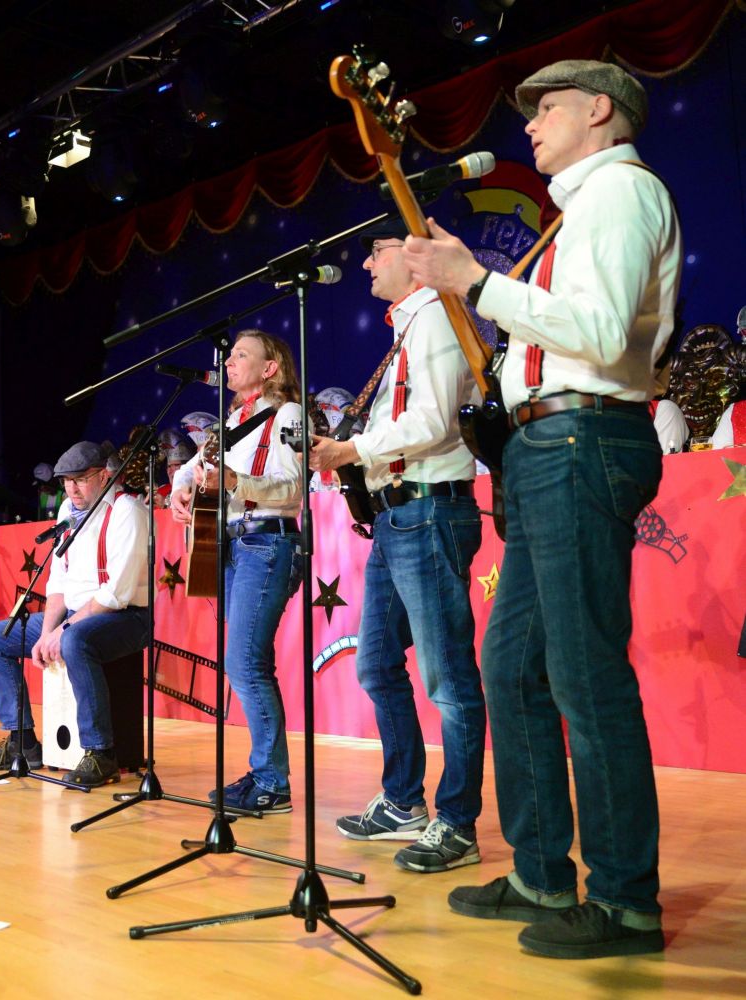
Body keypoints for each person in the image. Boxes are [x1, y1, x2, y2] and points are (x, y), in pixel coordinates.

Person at [403, 59, 679, 957]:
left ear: (599, 109)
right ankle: (539, 872)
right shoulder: (579, 208)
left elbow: (598, 334)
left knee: (583, 673)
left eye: (546, 107)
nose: (528, 124)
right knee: (513, 664)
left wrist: (475, 282)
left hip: (580, 440)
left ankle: (625, 902)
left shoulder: (620, 193)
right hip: (546, 444)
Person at [309, 219, 486, 873]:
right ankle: (403, 801)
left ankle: (458, 823)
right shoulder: (409, 328)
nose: (365, 265)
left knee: (447, 677)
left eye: (375, 252)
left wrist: (351, 449)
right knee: (377, 665)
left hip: (428, 511)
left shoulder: (436, 316)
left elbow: (433, 420)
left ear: (411, 257)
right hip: (398, 516)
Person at [169, 331, 303, 813]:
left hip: (266, 542)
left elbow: (293, 489)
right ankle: (266, 775)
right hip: (230, 545)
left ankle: (272, 782)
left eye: (241, 355)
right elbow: (189, 470)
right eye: (229, 357)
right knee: (247, 662)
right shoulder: (230, 421)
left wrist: (235, 481)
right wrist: (179, 491)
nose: (229, 363)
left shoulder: (288, 414)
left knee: (245, 664)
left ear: (270, 368)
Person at [0, 441, 147, 786]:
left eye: (80, 479)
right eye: (66, 481)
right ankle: (22, 740)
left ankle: (101, 753)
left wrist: (63, 631)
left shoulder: (127, 510)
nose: (72, 489)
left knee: (75, 641)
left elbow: (115, 594)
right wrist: (48, 631)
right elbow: (58, 581)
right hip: (76, 614)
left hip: (126, 617)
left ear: (104, 475)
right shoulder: (68, 509)